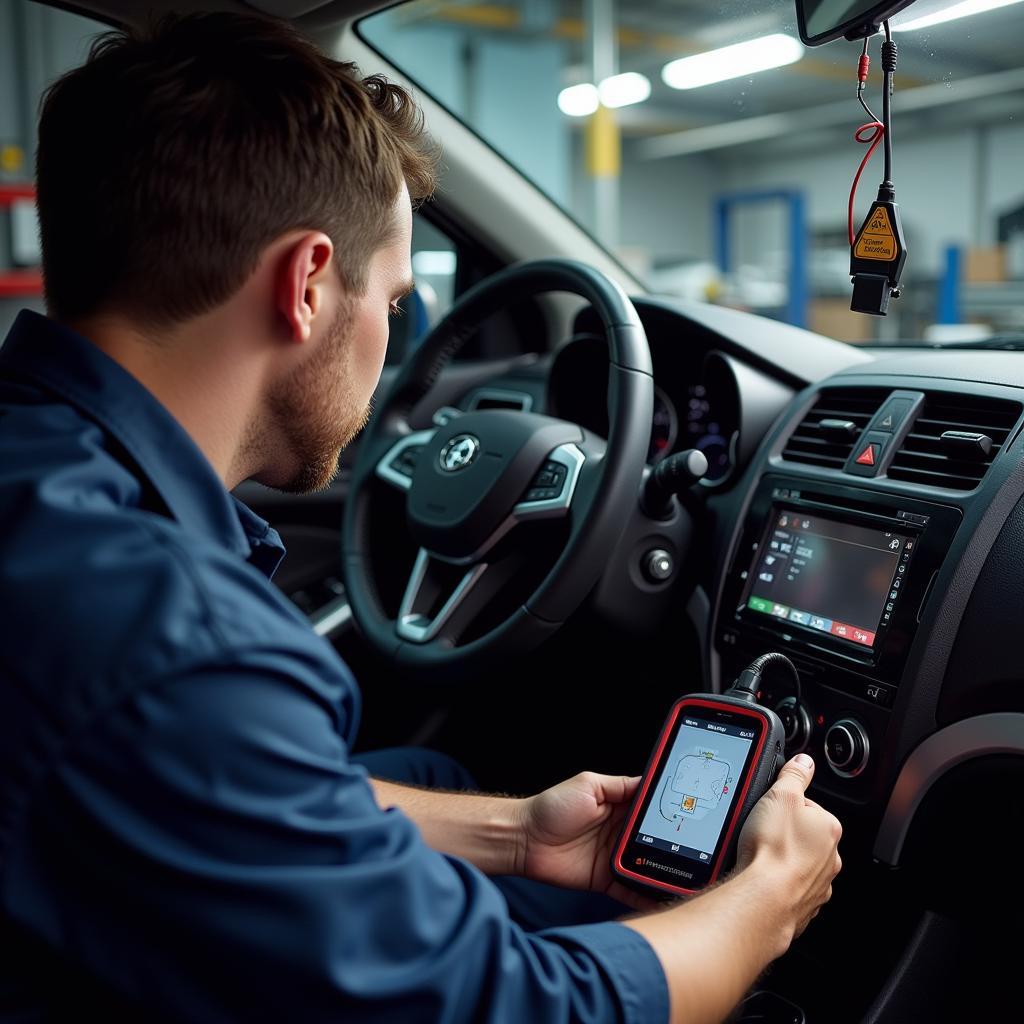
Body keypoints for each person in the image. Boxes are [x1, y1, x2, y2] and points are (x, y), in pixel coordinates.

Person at [0, 12, 842, 1023]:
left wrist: (516, 834)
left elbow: (203, 790)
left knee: (438, 777)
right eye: (394, 301)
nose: (390, 335)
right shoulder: (171, 639)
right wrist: (763, 902)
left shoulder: (46, 484)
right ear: (307, 283)